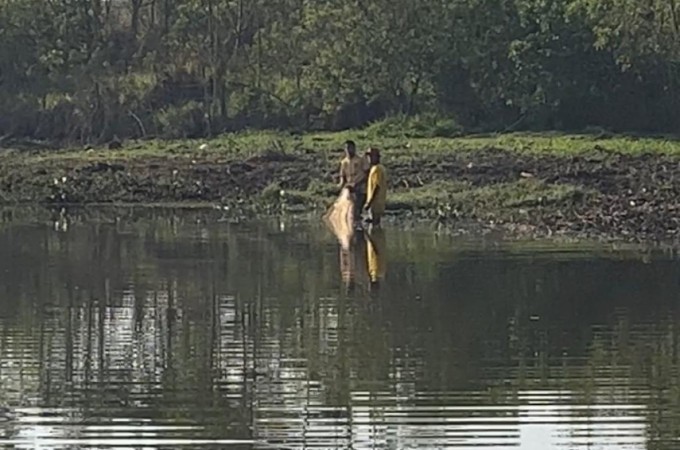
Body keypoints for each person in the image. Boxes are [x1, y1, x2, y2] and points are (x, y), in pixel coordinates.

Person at [339, 140, 369, 225]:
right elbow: (343, 176)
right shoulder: (344, 162)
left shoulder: (360, 160)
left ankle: (359, 232)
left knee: (356, 209)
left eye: (350, 148)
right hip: (350, 190)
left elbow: (367, 174)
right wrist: (342, 187)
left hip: (360, 189)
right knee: (350, 210)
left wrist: (357, 184)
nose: (348, 150)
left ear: (354, 148)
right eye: (347, 148)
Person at [364, 147, 387, 227]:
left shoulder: (377, 169)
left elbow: (376, 186)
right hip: (377, 202)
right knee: (375, 224)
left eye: (371, 156)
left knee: (374, 224)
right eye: (368, 156)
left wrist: (369, 202)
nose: (369, 158)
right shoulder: (375, 168)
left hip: (375, 203)